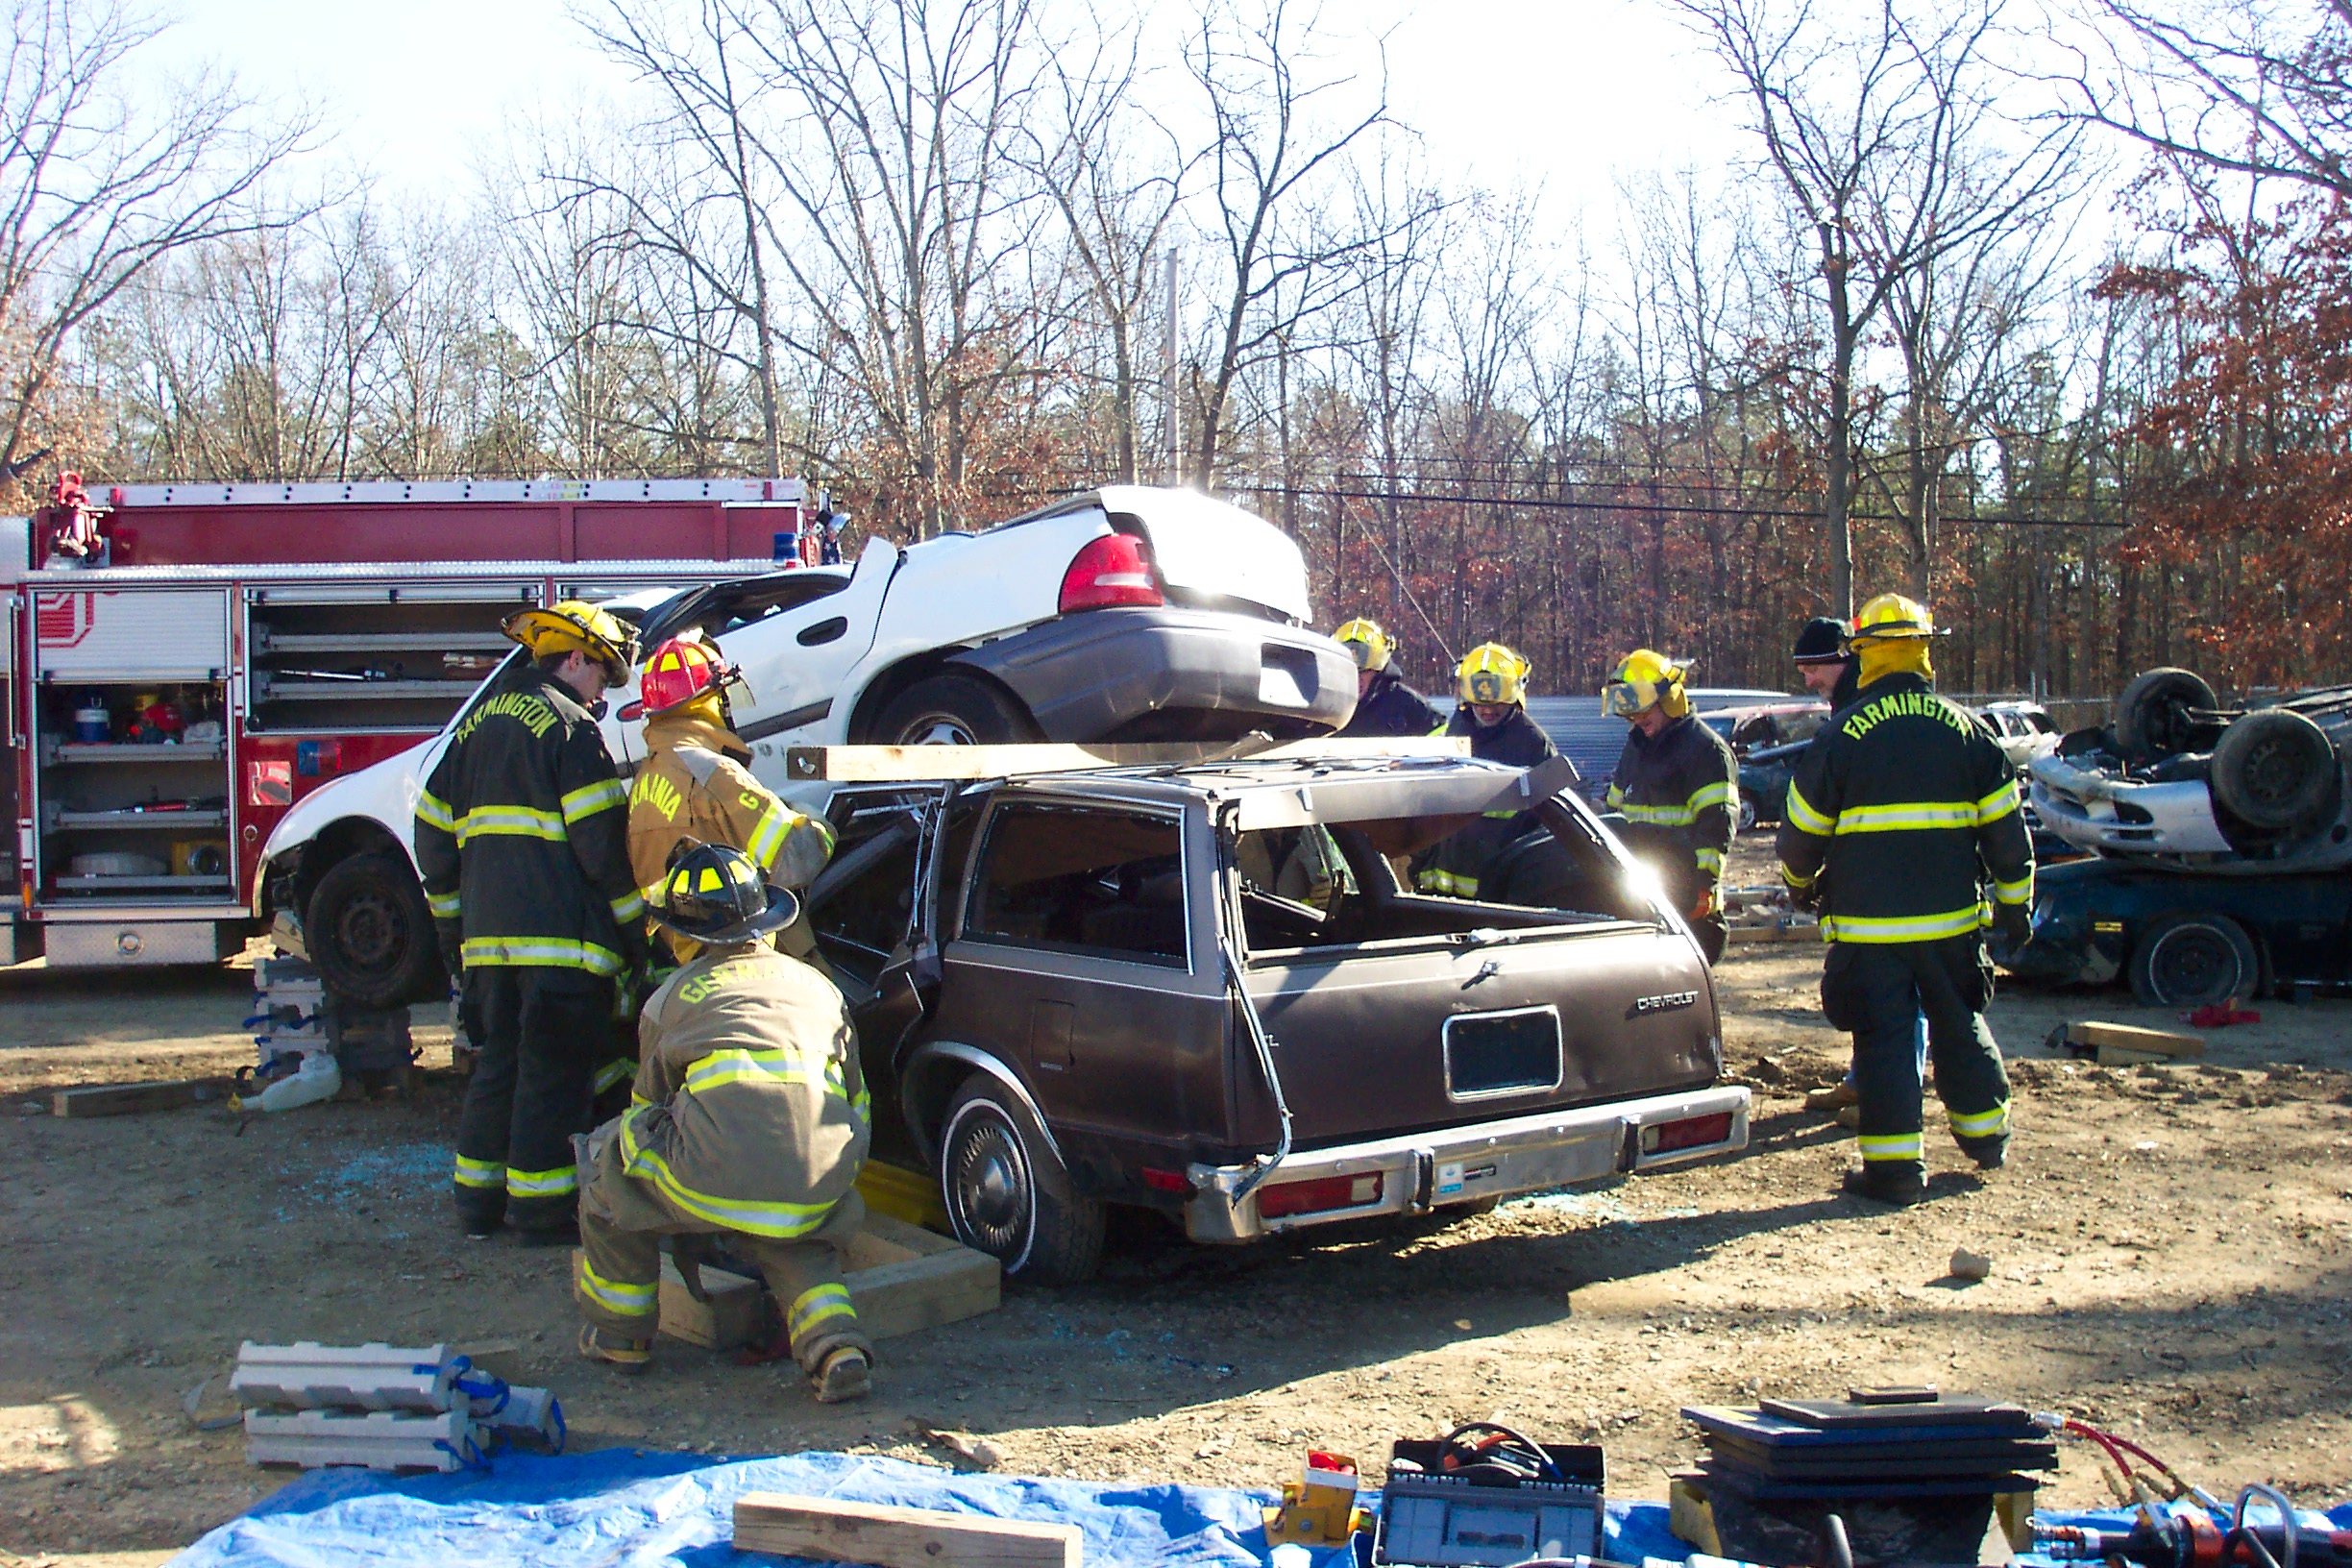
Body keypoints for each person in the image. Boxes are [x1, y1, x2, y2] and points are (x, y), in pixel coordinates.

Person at [572, 843, 874, 1402]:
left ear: (685, 933)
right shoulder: (822, 988)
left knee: (608, 1165)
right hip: (821, 1171)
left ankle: (620, 1336)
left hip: (719, 1169)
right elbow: (857, 1098)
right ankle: (836, 1345)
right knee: (790, 1228)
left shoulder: (671, 999)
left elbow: (646, 1109)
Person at [1776, 594, 2033, 1206]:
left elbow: (1800, 835)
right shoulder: (1967, 729)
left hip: (1870, 935)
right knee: (1960, 1025)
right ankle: (1987, 1137)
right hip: (1951, 927)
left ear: (1863, 654)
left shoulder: (1843, 733)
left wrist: (1800, 884)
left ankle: (1894, 1174)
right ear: (1924, 651)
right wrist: (2016, 908)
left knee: (1885, 1041)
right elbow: (2007, 833)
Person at [416, 600, 648, 1242]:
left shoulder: (473, 728)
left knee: (498, 1069)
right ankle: (543, 1213)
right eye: (601, 675)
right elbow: (602, 850)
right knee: (552, 1079)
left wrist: (453, 932)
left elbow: (431, 835)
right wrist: (637, 939)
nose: (601, 695)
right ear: (573, 659)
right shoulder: (570, 729)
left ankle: (478, 1205)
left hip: (487, 950)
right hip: (562, 951)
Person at [628, 632, 837, 978]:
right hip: (752, 955)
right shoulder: (714, 773)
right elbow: (795, 859)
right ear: (709, 700)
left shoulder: (644, 781)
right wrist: (815, 819)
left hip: (684, 965)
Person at [1600, 649, 1739, 963]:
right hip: (1639, 898)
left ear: (1670, 698)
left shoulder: (1705, 751)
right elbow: (1614, 813)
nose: (1636, 718)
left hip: (1686, 899)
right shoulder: (1636, 747)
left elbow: (1716, 826)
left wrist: (1703, 887)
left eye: (1643, 708)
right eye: (1630, 711)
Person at [1415, 643, 1558, 900]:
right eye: (1479, 703)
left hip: (1498, 898)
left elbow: (1551, 828)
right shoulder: (1445, 738)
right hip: (1437, 896)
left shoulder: (1534, 746)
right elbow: (1418, 807)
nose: (1488, 710)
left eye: (1497, 703)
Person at [1333, 618, 1445, 738]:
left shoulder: (1406, 705)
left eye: (1364, 670)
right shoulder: (1325, 708)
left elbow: (1443, 738)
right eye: (1348, 670)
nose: (1355, 677)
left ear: (1378, 670)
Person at [1792, 615, 1860, 710]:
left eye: (1812, 670)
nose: (1808, 683)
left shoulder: (1864, 703)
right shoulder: (1847, 704)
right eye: (1803, 673)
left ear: (1840, 661)